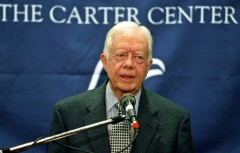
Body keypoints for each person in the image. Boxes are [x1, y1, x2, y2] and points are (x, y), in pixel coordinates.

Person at [48, 21, 194, 153]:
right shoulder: (68, 114)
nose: (129, 64)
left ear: (148, 66)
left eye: (139, 57)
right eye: (121, 55)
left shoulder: (175, 120)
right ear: (105, 61)